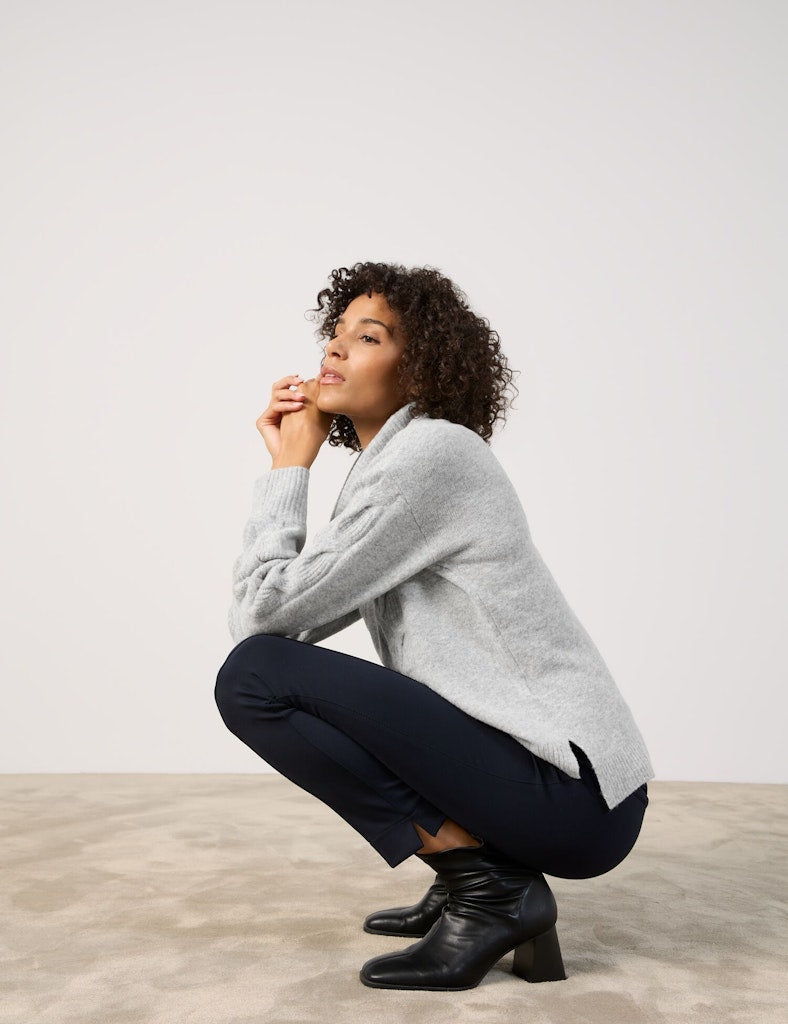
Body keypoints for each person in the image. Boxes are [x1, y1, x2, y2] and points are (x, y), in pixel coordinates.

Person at [214, 260, 654, 992]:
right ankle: (478, 879)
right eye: (335, 332)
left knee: (252, 679)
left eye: (368, 336)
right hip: (560, 785)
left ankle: (489, 888)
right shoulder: (394, 465)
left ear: (419, 368)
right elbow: (287, 621)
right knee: (270, 670)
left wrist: (290, 467)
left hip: (574, 795)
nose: (335, 347)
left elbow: (262, 621)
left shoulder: (431, 457)